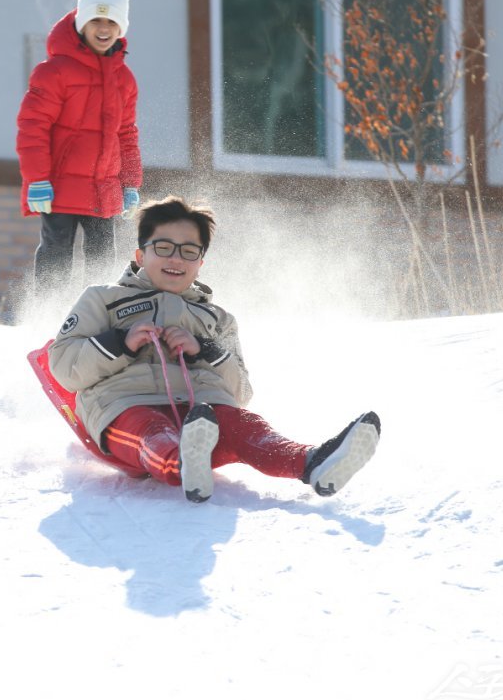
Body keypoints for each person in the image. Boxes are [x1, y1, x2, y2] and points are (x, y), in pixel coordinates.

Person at [48, 196, 381, 503]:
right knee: (151, 431)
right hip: (123, 403)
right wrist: (121, 342)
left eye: (189, 251)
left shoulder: (217, 318)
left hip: (203, 409)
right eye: (163, 247)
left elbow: (241, 391)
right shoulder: (103, 299)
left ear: (200, 262)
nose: (176, 258)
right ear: (140, 255)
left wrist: (204, 350)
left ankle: (313, 462)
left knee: (245, 427)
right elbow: (62, 366)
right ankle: (184, 463)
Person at [16, 0, 143, 292]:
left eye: (111, 21)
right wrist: (37, 179)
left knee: (102, 260)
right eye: (95, 20)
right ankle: (49, 318)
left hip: (104, 187)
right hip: (58, 187)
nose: (103, 28)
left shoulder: (124, 79)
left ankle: (99, 318)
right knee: (57, 254)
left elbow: (126, 134)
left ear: (121, 27)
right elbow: (33, 127)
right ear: (81, 24)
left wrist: (129, 183)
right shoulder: (55, 71)